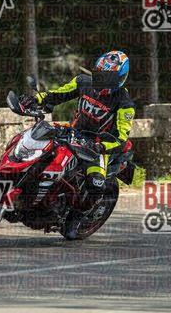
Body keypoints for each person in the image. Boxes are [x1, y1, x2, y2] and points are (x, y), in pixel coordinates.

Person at [20, 51, 135, 236]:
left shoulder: (125, 103)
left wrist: (101, 147)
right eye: (100, 74)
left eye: (108, 77)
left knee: (96, 183)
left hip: (98, 147)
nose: (102, 80)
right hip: (73, 133)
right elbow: (59, 94)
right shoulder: (83, 82)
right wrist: (37, 99)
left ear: (120, 79)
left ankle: (76, 218)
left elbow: (121, 138)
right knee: (40, 151)